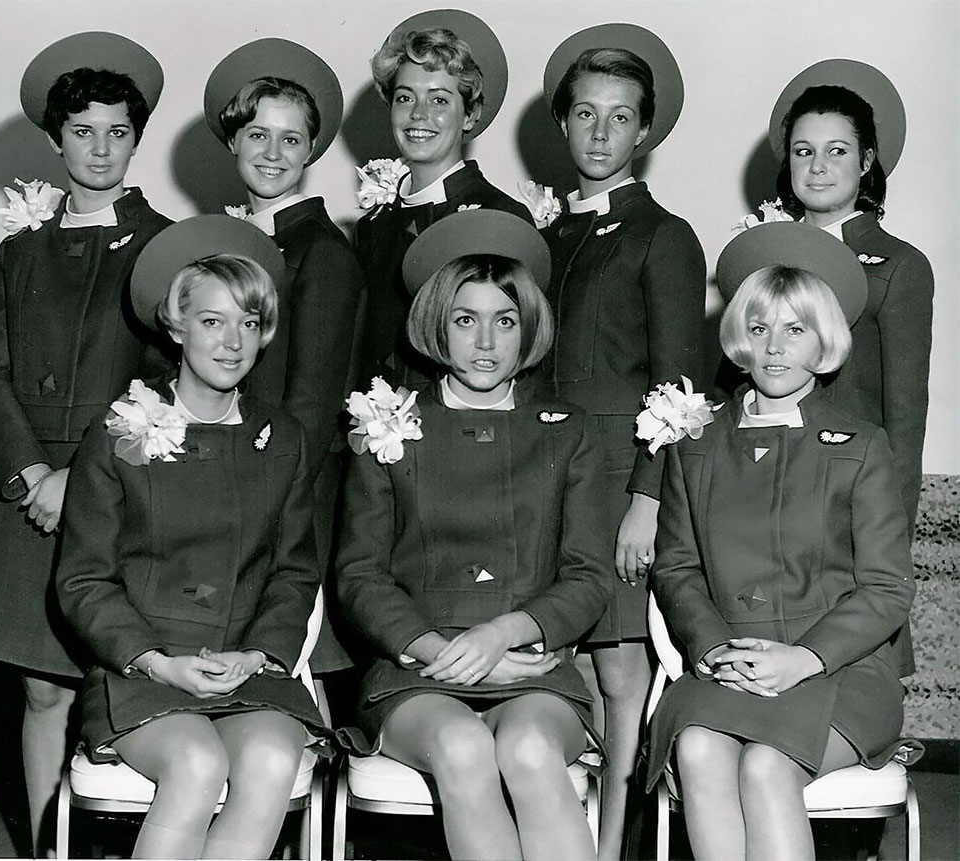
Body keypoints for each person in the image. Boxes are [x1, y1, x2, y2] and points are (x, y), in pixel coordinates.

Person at [335, 209, 612, 861]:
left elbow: (588, 575)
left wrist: (501, 634)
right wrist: (437, 647)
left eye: (504, 320)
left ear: (528, 329)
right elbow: (359, 576)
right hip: (418, 672)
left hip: (530, 668)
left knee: (529, 746)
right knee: (461, 745)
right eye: (466, 320)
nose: (486, 342)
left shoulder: (565, 432)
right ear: (437, 324)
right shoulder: (391, 425)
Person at [55, 216, 329, 860]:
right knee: (198, 762)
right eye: (212, 321)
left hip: (245, 667)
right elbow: (83, 580)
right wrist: (158, 660)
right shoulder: (120, 431)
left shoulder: (283, 438)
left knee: (270, 754)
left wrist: (259, 655)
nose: (232, 342)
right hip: (143, 668)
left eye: (250, 324)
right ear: (176, 326)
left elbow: (294, 573)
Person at [646, 222, 917, 861]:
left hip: (840, 670)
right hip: (730, 662)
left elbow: (886, 588)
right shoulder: (697, 446)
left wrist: (804, 658)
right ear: (740, 337)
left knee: (768, 766)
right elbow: (677, 569)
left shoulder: (862, 448)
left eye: (795, 329)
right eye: (760, 328)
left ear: (824, 342)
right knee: (698, 747)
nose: (774, 348)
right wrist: (714, 650)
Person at [0, 32, 171, 854]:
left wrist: (75, 474)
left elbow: (166, 377)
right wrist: (28, 471)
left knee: (117, 678)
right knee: (41, 689)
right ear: (55, 141)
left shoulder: (165, 244)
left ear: (135, 140)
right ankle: (46, 848)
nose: (99, 147)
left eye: (117, 131)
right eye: (82, 131)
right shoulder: (20, 252)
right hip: (27, 492)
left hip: (118, 481)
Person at [538, 24, 707, 857]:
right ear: (563, 123)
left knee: (619, 667)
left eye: (620, 117)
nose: (601, 132)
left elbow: (680, 384)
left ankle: (613, 847)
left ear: (644, 131)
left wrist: (646, 497)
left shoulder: (663, 235)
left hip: (616, 477)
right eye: (586, 114)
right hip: (548, 471)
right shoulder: (550, 234)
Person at [204, 38, 365, 697]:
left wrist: (260, 495)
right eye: (257, 134)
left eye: (291, 140)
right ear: (232, 140)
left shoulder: (321, 252)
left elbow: (309, 402)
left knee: (289, 661)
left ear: (311, 151)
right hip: (227, 479)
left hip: (285, 490)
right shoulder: (227, 242)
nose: (272, 154)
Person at [769, 59, 934, 533]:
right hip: (760, 486)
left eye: (836, 151)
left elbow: (904, 423)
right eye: (803, 152)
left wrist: (890, 537)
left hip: (846, 496)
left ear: (865, 162)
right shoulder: (760, 255)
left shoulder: (901, 266)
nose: (818, 167)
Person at [355, 8, 533, 388]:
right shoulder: (373, 224)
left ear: (470, 115)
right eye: (405, 98)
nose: (418, 114)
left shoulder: (500, 216)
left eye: (439, 101)